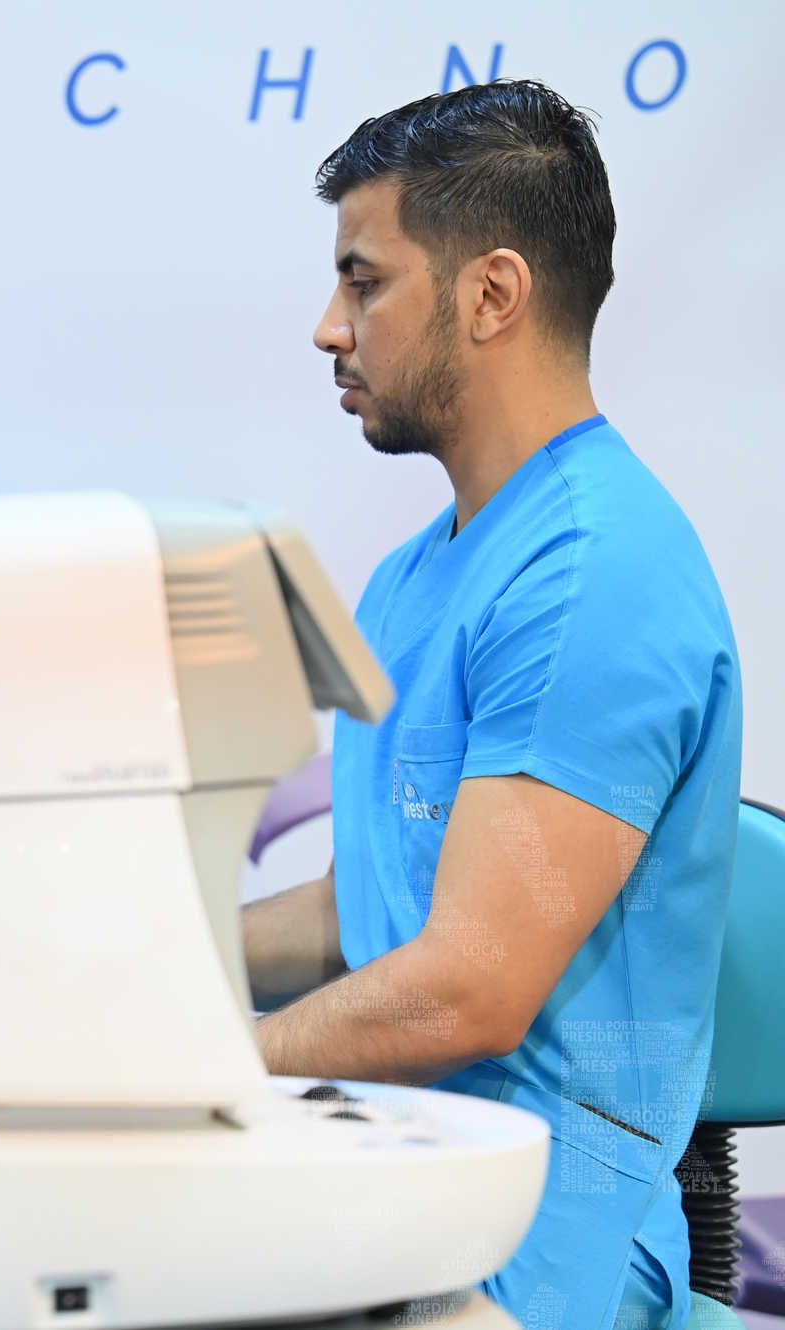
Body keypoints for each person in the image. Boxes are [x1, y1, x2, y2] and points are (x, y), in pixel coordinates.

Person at [242, 80, 742, 1330]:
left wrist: (194, 1071)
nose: (326, 328)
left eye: (363, 283)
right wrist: (137, 953)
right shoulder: (412, 576)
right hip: (401, 1188)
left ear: (490, 294)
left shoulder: (592, 572)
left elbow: (465, 988)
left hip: (531, 1259)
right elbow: (369, 907)